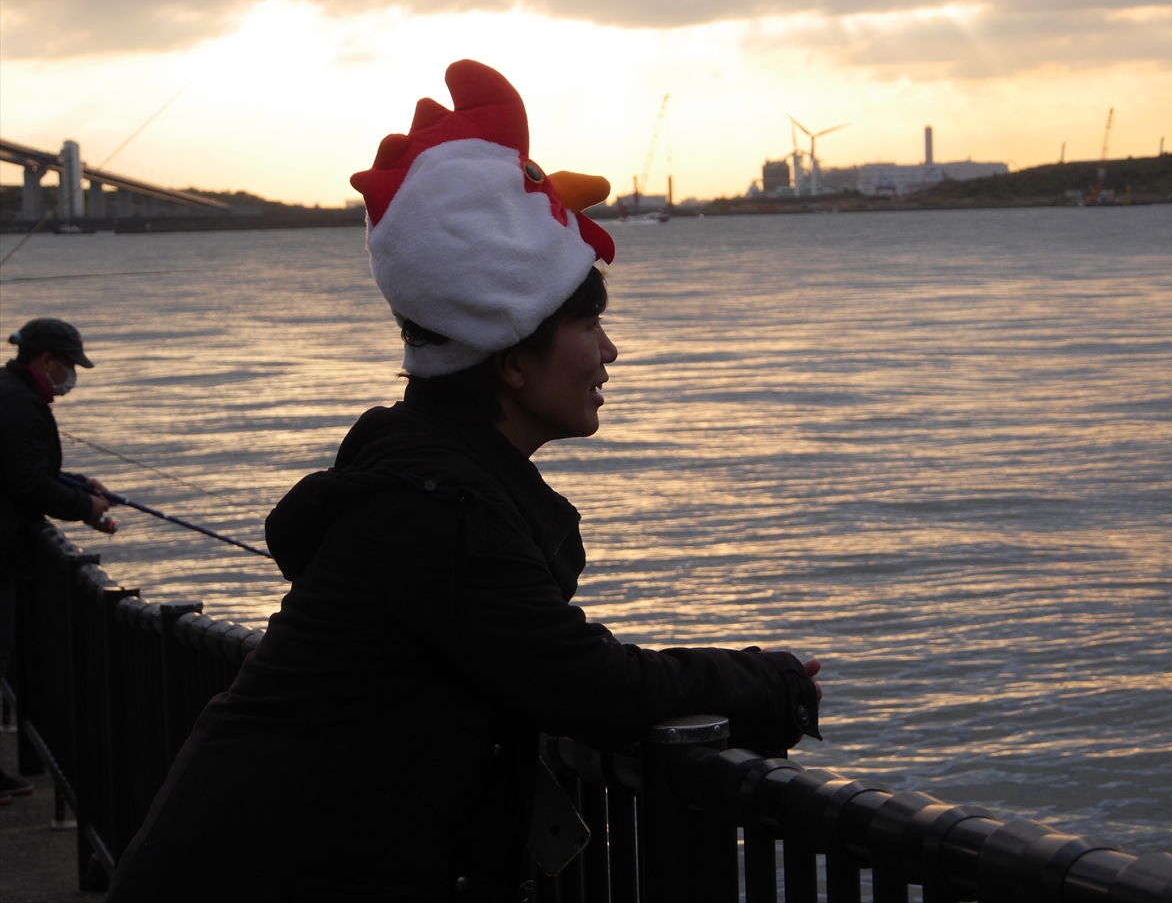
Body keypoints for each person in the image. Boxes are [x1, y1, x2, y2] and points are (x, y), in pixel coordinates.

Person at [107, 61, 822, 903]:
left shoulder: (422, 480)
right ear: (512, 357)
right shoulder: (439, 513)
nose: (610, 352)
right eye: (590, 325)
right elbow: (588, 684)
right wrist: (766, 683)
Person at [0, 317, 115, 805]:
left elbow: (21, 466)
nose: (72, 376)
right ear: (46, 360)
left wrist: (78, 484)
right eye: (69, 365)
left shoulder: (11, 393)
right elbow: (27, 482)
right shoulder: (20, 403)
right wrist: (84, 506)